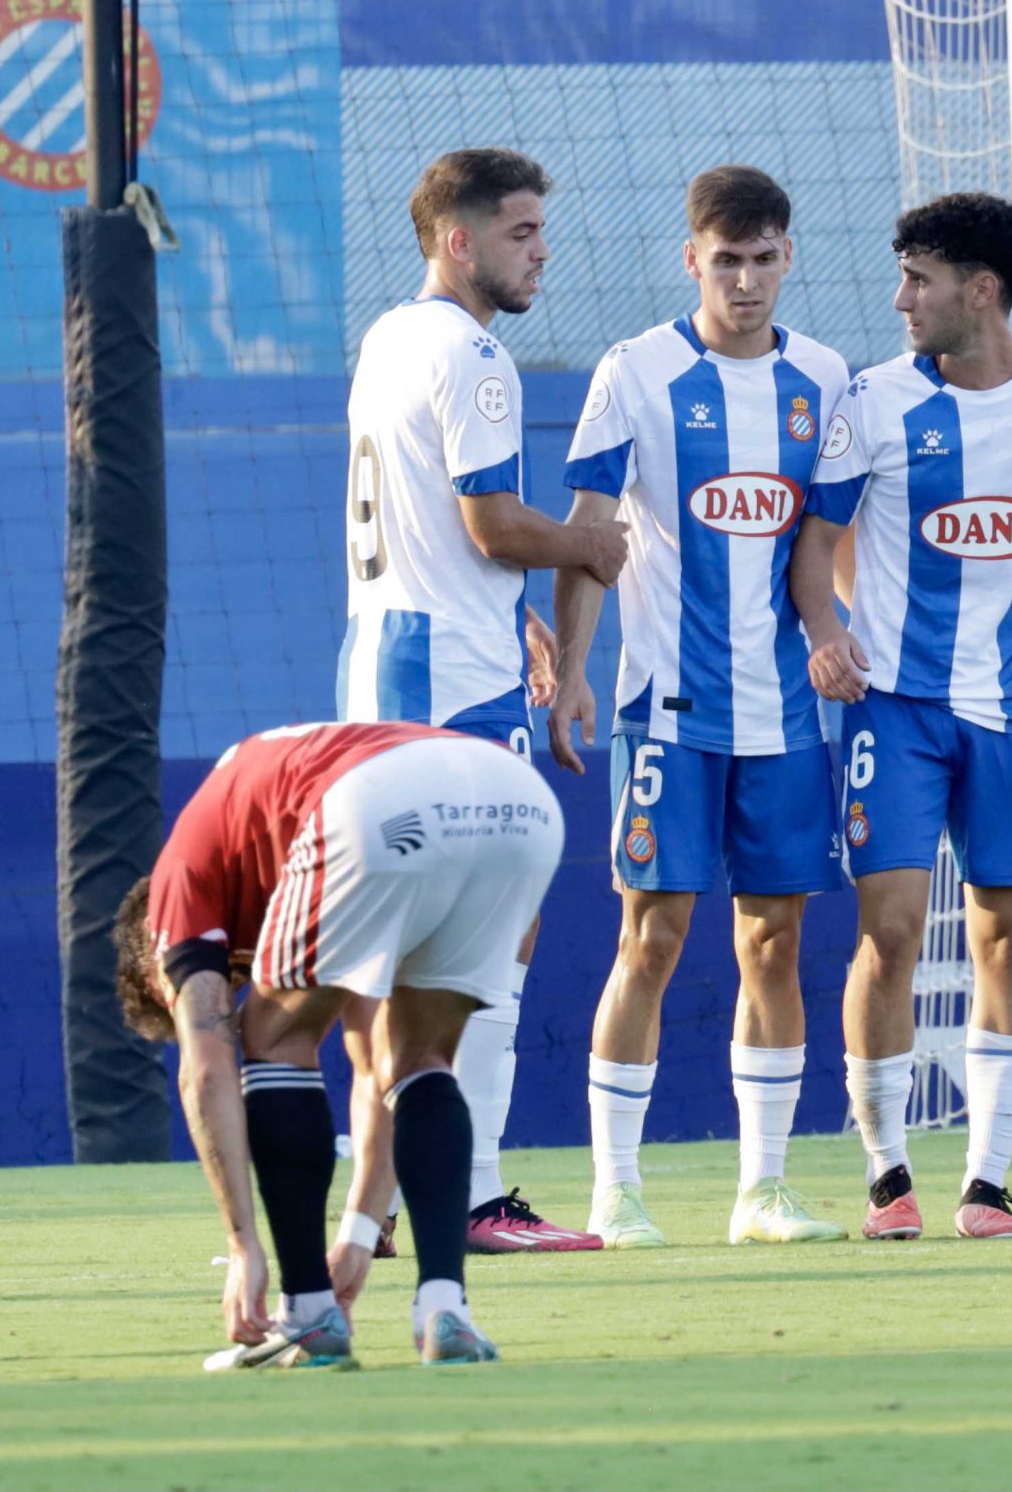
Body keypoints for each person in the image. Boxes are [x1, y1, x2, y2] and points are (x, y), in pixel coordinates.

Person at [791, 192, 1012, 1241]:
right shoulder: (874, 402)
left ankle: (986, 1186)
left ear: (981, 292)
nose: (901, 300)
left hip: (1010, 711)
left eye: (919, 280)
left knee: (1010, 937)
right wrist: (826, 630)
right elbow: (816, 542)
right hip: (893, 706)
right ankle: (886, 1175)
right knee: (891, 931)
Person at [546, 166, 853, 1249]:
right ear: (692, 261)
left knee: (775, 941)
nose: (747, 281)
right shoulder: (635, 371)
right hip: (665, 710)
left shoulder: (824, 378)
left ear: (788, 257)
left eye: (765, 259)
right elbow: (589, 533)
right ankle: (615, 1192)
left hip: (785, 720)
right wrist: (573, 671)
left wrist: (831, 637)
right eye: (727, 261)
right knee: (653, 935)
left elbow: (824, 542)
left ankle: (762, 1190)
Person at [339, 146, 620, 1254]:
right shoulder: (474, 353)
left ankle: (385, 1200)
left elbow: (436, 531)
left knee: (408, 947)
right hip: (451, 681)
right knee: (488, 936)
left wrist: (518, 616)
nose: (541, 251)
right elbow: (494, 526)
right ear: (458, 241)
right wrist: (588, 547)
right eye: (520, 232)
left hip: (390, 657)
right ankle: (472, 1193)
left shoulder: (388, 336)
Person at [113, 721, 563, 1367]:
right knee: (419, 1059)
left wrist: (243, 1246)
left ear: (156, 966)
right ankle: (445, 1310)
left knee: (272, 1034)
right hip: (520, 805)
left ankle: (307, 1314)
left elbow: (207, 1071)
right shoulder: (280, 835)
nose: (237, 986)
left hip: (383, 806)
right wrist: (357, 1232)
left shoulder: (179, 885)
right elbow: (374, 1065)